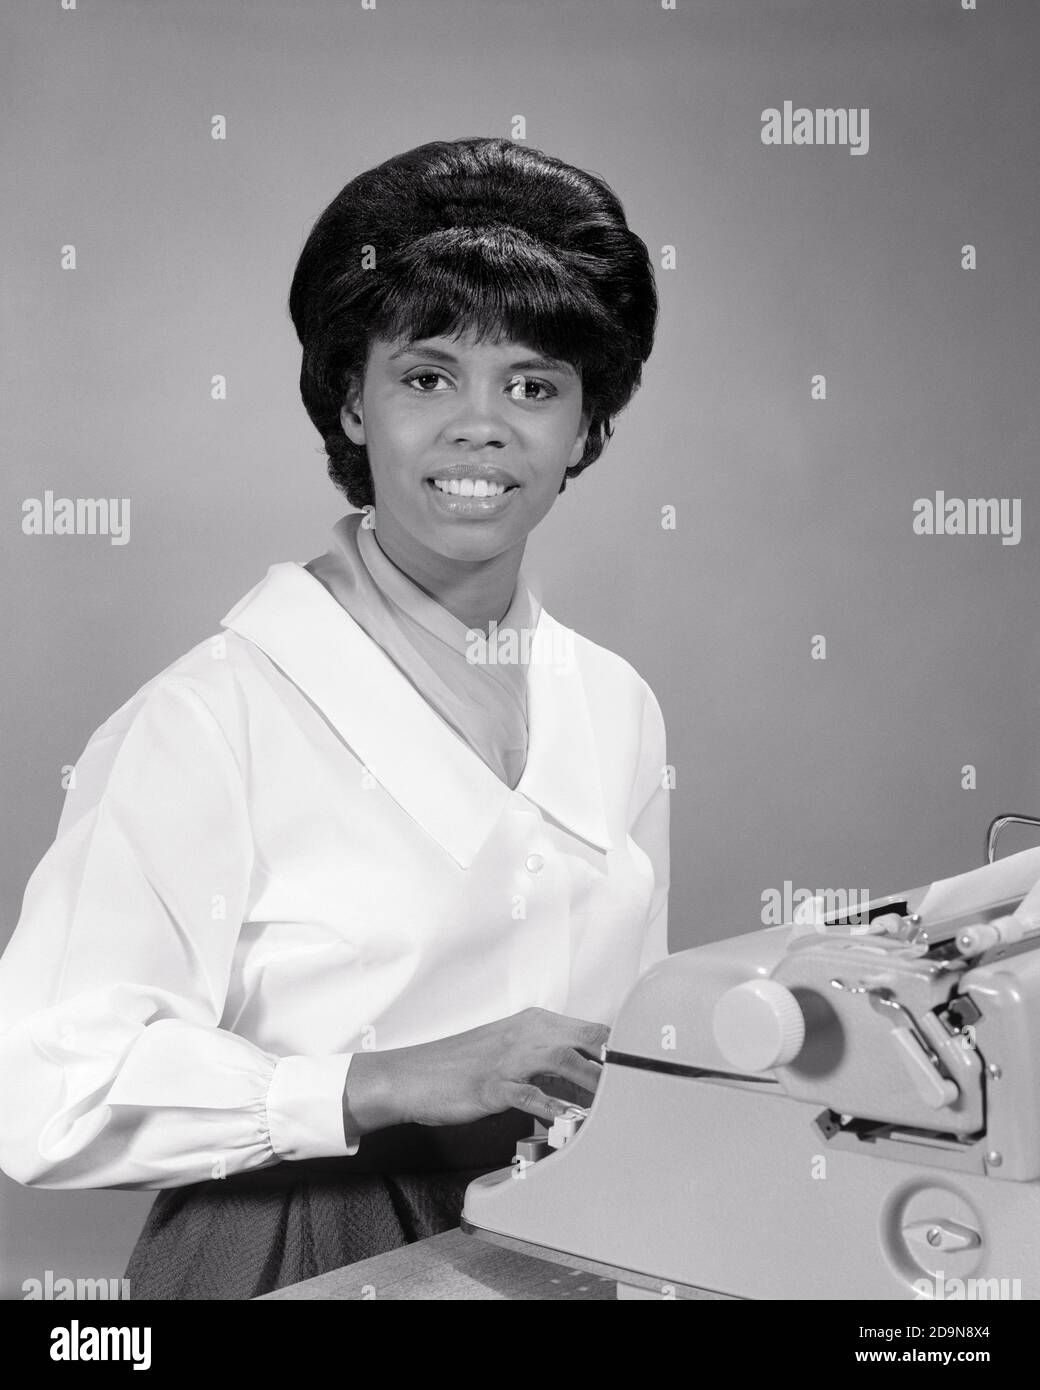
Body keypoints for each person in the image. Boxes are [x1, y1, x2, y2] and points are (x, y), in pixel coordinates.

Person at [0, 136, 669, 1299]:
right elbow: (40, 1088)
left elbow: (625, 1043)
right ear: (351, 402)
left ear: (584, 428)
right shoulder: (211, 717)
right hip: (297, 1240)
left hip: (564, 1238)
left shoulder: (612, 703)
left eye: (532, 384)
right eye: (425, 376)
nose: (480, 426)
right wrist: (375, 1083)